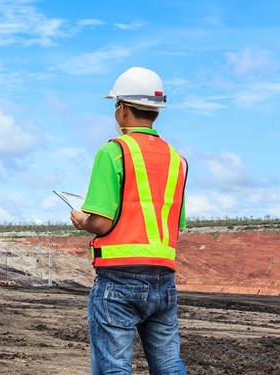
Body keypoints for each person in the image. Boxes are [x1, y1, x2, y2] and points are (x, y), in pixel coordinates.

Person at [70, 66, 188, 375]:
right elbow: (175, 224)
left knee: (115, 369)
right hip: (164, 282)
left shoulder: (113, 152)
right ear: (156, 113)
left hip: (119, 281)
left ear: (122, 109)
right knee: (169, 366)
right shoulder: (177, 160)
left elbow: (102, 223)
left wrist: (83, 221)